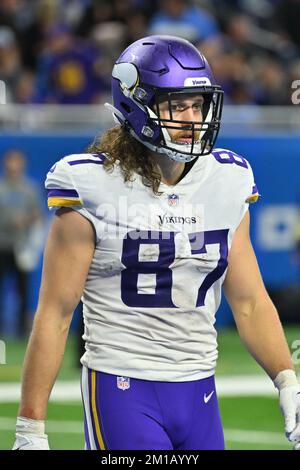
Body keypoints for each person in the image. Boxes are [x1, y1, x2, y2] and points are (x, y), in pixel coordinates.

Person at [13, 35, 300, 450]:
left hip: (199, 387)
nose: (191, 117)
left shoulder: (227, 180)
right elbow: (56, 313)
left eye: (197, 104)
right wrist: (30, 426)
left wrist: (286, 378)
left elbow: (250, 300)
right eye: (176, 105)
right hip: (121, 385)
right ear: (136, 104)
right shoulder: (92, 184)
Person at [0, 149, 42, 337]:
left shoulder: (29, 189)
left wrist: (24, 220)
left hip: (21, 246)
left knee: (23, 290)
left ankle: (21, 329)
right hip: (2, 244)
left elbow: (37, 214)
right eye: (11, 161)